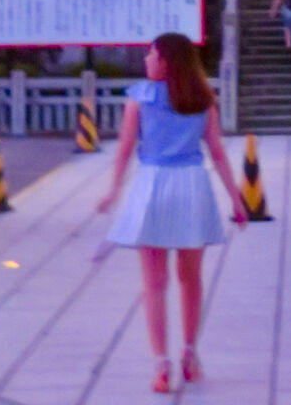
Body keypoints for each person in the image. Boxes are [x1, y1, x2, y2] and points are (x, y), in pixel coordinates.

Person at [97, 33, 247, 394]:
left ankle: (161, 365)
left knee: (154, 283)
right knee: (191, 279)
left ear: (165, 61)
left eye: (151, 55)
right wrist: (237, 200)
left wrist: (114, 191)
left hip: (152, 188)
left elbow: (124, 150)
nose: (146, 61)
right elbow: (218, 153)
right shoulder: (202, 99)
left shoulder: (139, 98)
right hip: (192, 187)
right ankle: (190, 355)